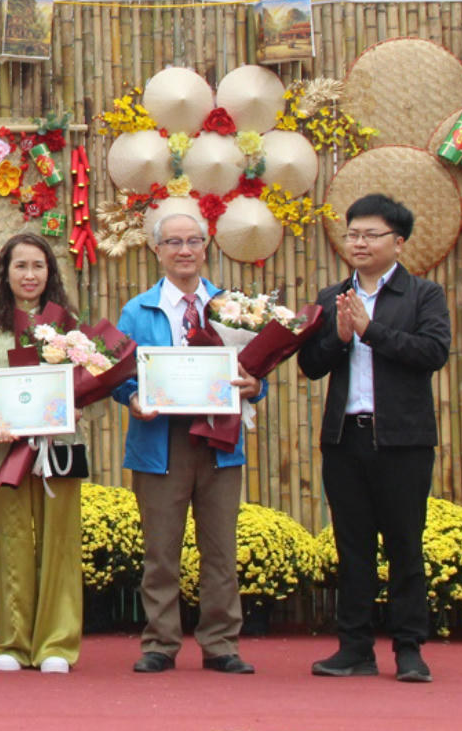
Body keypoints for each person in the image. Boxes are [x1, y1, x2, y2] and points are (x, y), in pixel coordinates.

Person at [298, 194, 450, 684]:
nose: (359, 243)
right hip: (345, 439)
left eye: (371, 235)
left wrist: (371, 330)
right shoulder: (332, 297)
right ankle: (354, 648)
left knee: (405, 545)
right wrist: (340, 337)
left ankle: (409, 649)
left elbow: (433, 352)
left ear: (398, 242)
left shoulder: (423, 295)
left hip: (403, 441)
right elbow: (310, 365)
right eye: (353, 234)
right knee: (353, 547)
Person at [112, 211, 263, 675]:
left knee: (220, 549)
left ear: (205, 247)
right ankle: (160, 642)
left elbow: (256, 370)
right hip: (160, 440)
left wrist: (255, 386)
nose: (184, 250)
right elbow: (117, 375)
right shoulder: (137, 310)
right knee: (161, 550)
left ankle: (221, 643)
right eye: (173, 242)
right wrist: (132, 398)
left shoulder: (232, 307)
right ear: (157, 250)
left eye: (193, 241)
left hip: (219, 440)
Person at [0, 232, 93, 674]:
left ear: (50, 273)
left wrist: (78, 406)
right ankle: (12, 643)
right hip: (5, 450)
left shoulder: (69, 325)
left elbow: (92, 380)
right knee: (9, 541)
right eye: (20, 266)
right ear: (4, 273)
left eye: (38, 266)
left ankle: (56, 644)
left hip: (58, 448)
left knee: (59, 543)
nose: (29, 275)